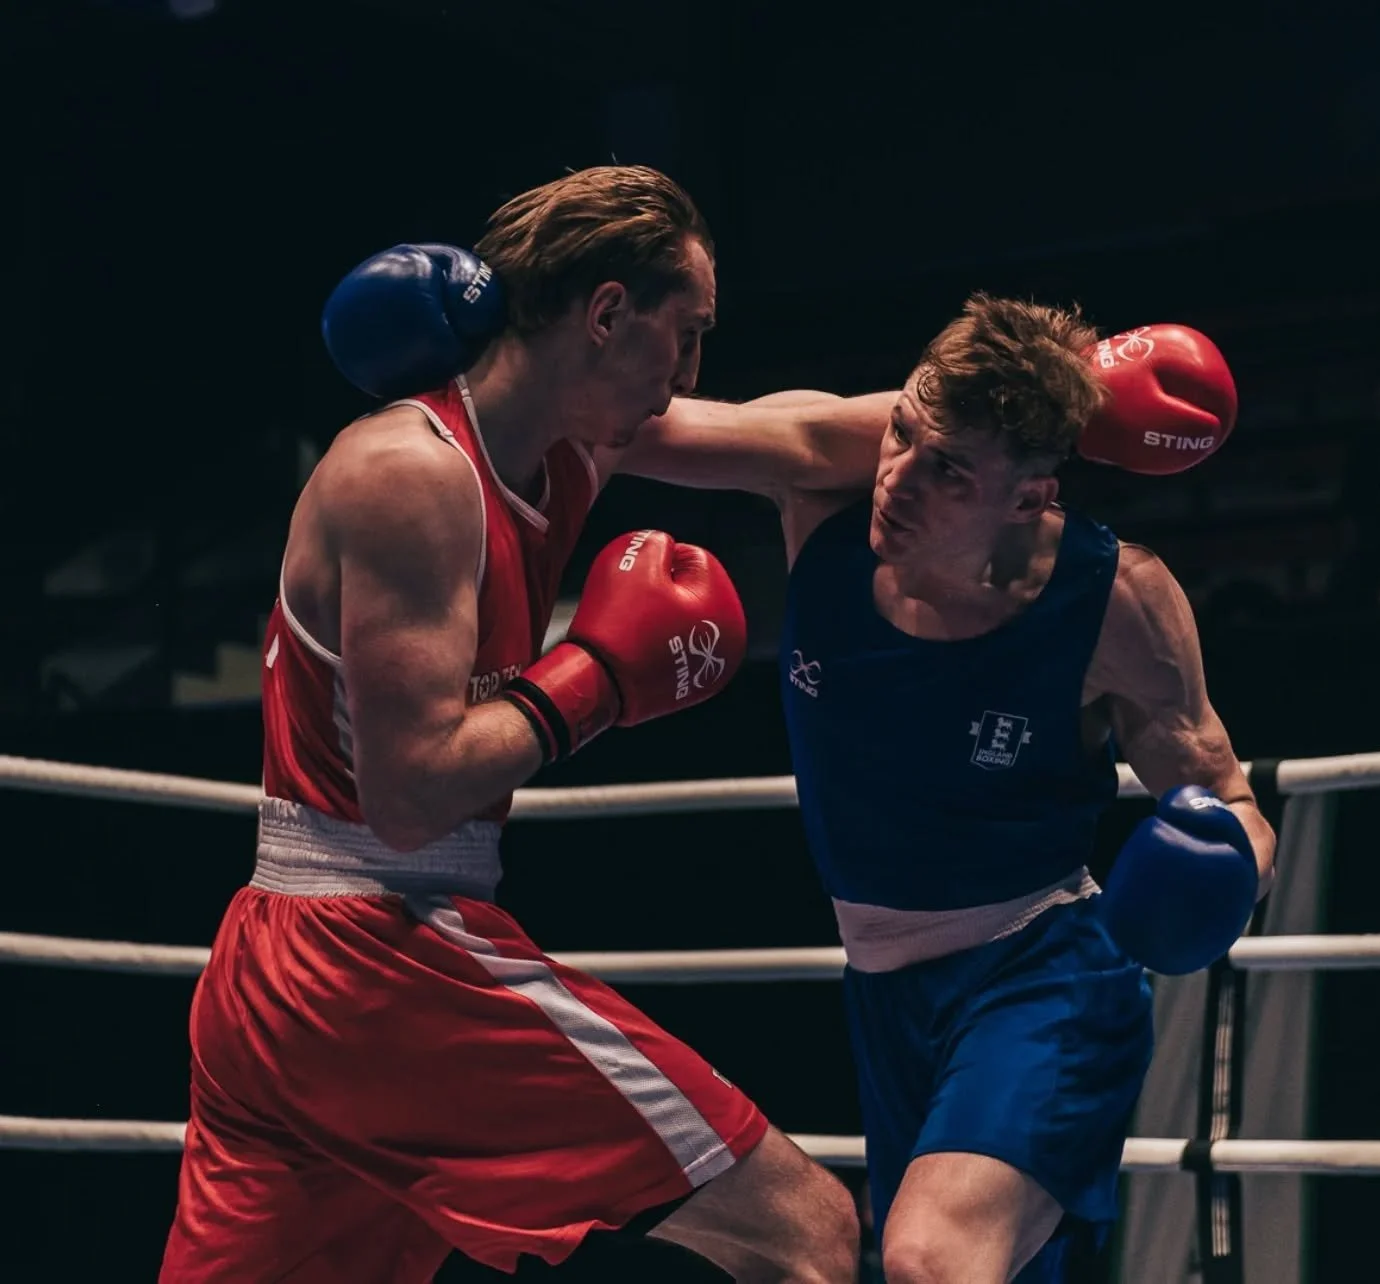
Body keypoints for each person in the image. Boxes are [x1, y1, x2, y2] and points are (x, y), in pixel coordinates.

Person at [320, 253, 1278, 1280]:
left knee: (925, 1258)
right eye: (903, 432)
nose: (899, 479)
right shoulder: (824, 483)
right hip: (883, 995)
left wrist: (1220, 862)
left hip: (1040, 974)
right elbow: (617, 419)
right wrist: (484, 356)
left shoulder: (1112, 603)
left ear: (1030, 496)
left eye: (948, 469)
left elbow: (1225, 794)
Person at [160, 167, 859, 1284]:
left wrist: (1047, 406)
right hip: (369, 946)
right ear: (604, 315)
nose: (689, 375)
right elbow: (410, 795)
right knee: (802, 1234)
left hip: (297, 977)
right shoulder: (409, 472)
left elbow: (811, 441)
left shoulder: (572, 446)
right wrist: (597, 672)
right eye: (682, 336)